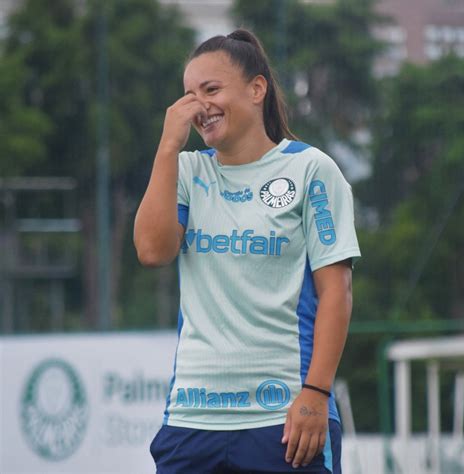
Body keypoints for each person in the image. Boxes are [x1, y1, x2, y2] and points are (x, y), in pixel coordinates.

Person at [134, 28, 360, 474]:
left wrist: (315, 393)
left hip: (285, 419)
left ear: (257, 89)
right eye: (189, 95)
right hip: (192, 419)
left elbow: (337, 291)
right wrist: (167, 147)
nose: (199, 106)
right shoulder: (185, 170)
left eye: (211, 89)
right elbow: (152, 250)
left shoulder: (310, 169)